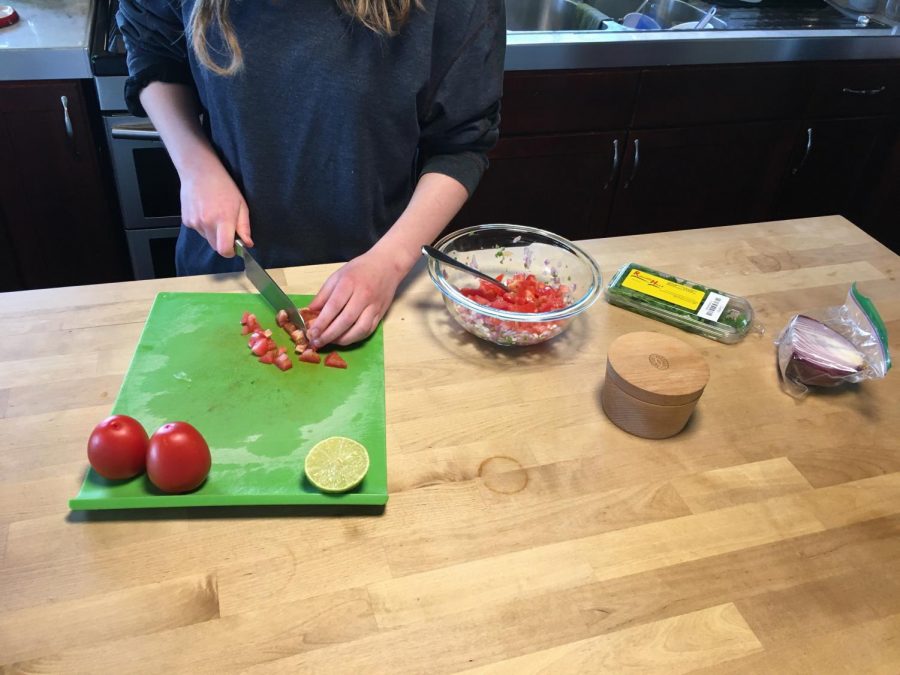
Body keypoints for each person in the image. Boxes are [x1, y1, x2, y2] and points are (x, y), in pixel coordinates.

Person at [117, 0, 505, 348]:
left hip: (377, 276)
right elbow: (152, 51)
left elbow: (461, 144)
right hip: (223, 273)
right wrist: (195, 165)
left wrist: (390, 261)